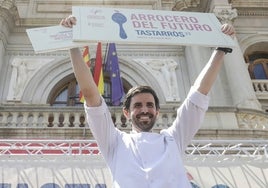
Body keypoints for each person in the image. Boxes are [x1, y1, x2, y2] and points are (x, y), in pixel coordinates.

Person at [60, 15, 235, 188]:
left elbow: (199, 93)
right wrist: (72, 46)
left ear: (157, 112)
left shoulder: (173, 139)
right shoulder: (114, 142)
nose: (145, 110)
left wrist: (221, 49)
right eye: (138, 105)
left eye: (150, 105)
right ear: (126, 112)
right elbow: (90, 94)